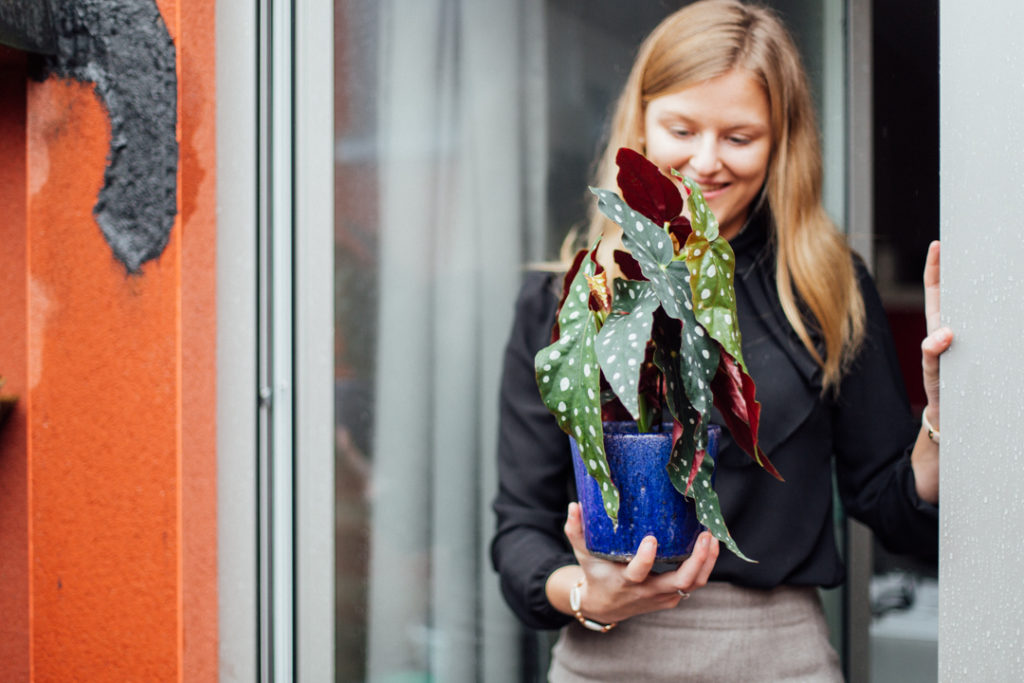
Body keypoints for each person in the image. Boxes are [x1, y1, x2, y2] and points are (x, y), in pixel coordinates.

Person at [490, 1, 952, 680]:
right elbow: (520, 531)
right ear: (640, 125)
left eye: (740, 137)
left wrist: (940, 422)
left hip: (776, 656)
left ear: (781, 143)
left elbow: (892, 505)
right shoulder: (563, 299)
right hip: (607, 654)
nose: (705, 162)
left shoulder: (824, 289)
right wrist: (589, 593)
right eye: (681, 128)